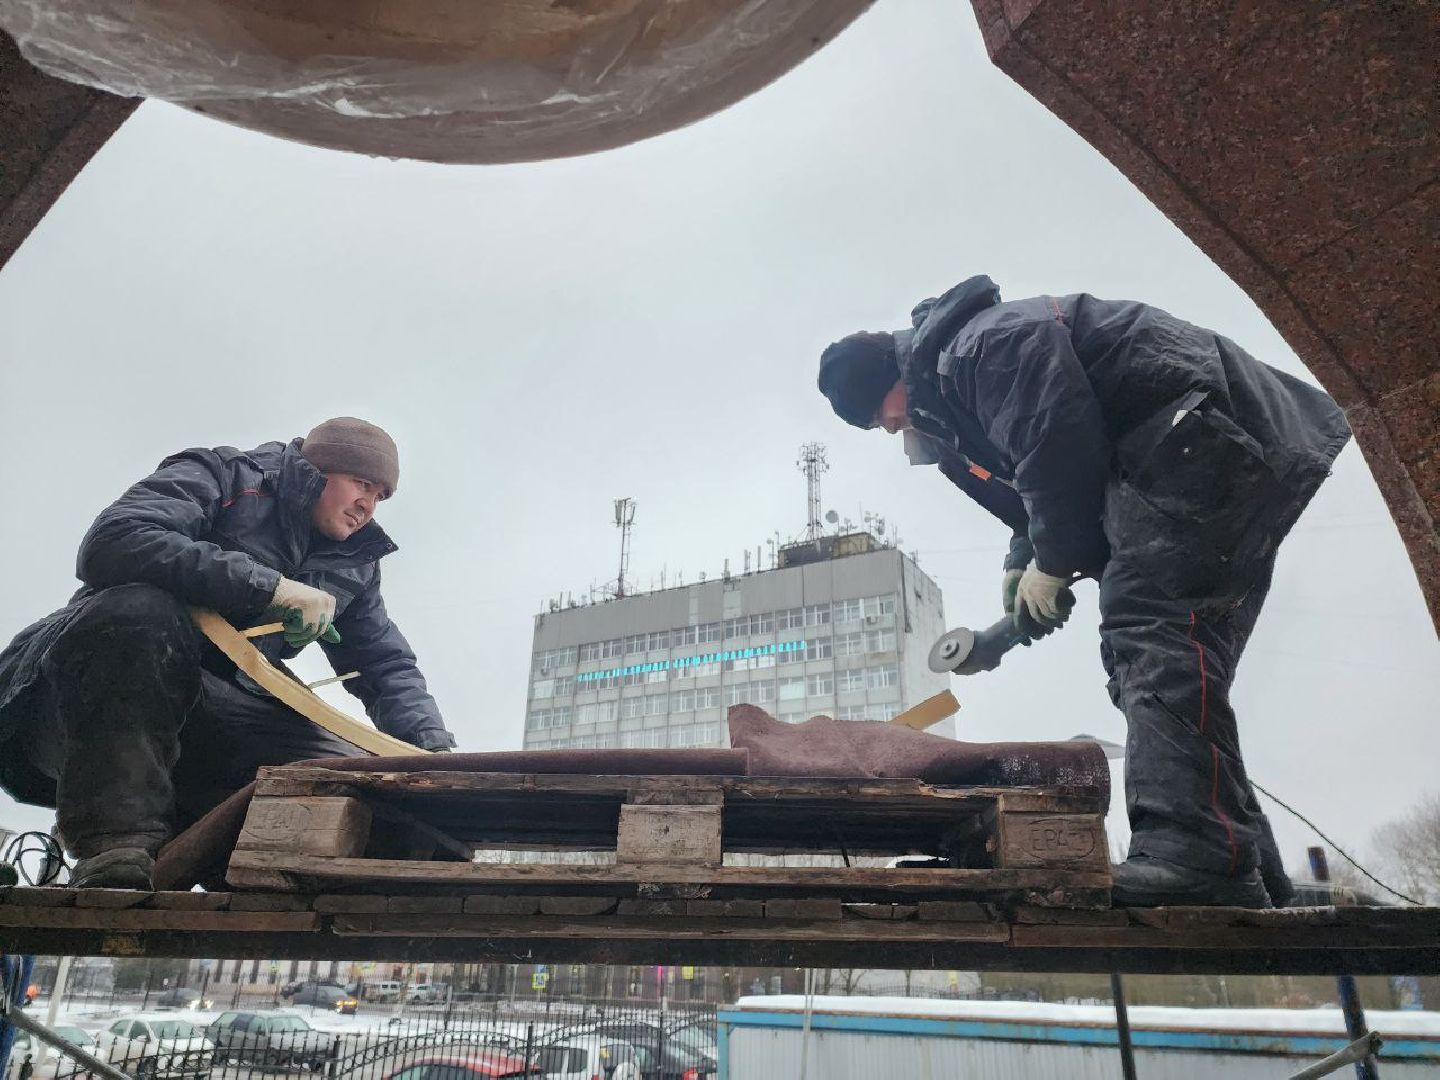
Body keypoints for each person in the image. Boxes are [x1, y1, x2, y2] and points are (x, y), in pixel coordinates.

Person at [817, 276, 1351, 908]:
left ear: (890, 380)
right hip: (1205, 450)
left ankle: (1196, 857)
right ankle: (1244, 864)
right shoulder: (958, 392)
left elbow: (1057, 441)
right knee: (1166, 663)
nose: (890, 428)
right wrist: (1024, 567)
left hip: (1198, 438)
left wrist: (1060, 557)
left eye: (881, 414)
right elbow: (1030, 491)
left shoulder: (981, 350)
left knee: (1149, 633)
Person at [0, 417, 456, 890]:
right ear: (316, 470)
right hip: (85, 691)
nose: (368, 505)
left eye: (381, 496)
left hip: (214, 709)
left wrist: (435, 756)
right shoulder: (223, 476)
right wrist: (268, 588)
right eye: (362, 484)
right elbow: (116, 539)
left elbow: (385, 665)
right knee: (139, 611)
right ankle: (116, 845)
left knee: (355, 786)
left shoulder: (356, 564)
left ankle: (226, 860)